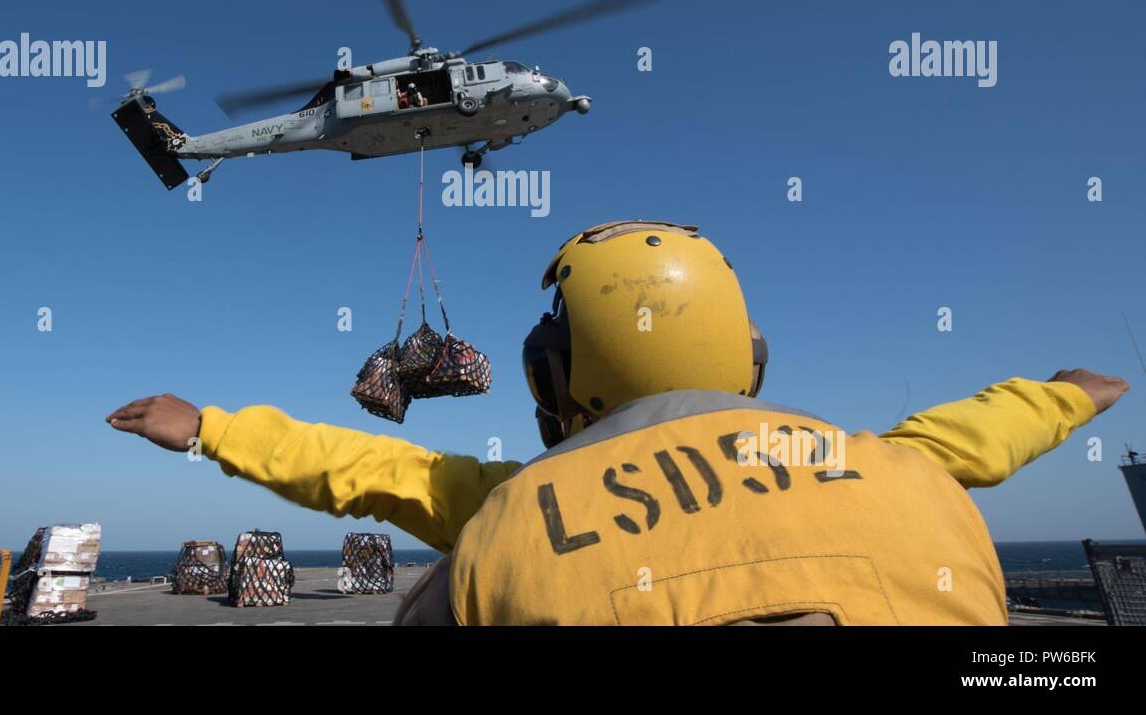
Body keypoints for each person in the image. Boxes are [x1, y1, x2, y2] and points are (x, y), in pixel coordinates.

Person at [107, 220, 1128, 625]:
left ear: (557, 377)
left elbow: (374, 468)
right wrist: (1065, 395)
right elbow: (971, 433)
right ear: (747, 355)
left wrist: (213, 427)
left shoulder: (512, 515)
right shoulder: (900, 474)